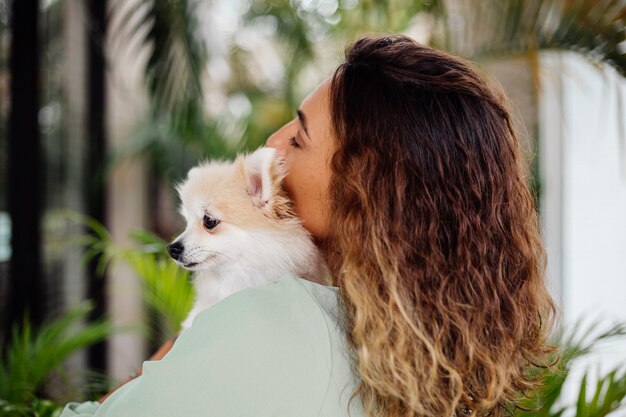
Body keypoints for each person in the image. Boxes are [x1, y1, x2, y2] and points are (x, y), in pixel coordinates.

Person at [60, 34, 558, 417]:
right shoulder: (423, 368)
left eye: (299, 139)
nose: (272, 144)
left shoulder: (272, 323)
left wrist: (178, 352)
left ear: (363, 188)